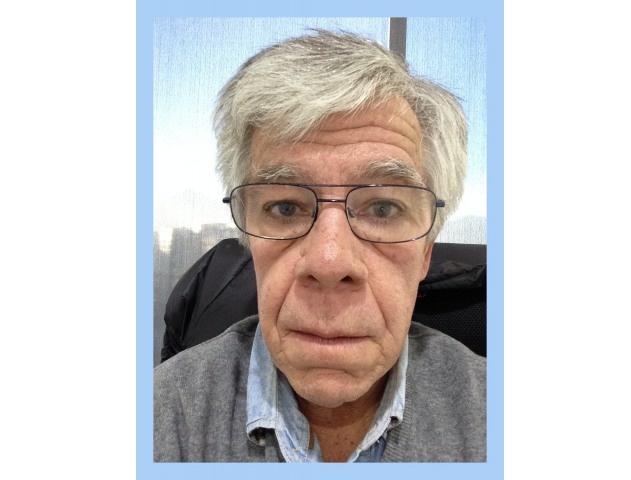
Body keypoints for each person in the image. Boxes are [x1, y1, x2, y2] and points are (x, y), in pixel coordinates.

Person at [154, 29, 486, 462]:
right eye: (286, 208)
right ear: (249, 239)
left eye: (383, 208)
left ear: (426, 251)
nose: (329, 263)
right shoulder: (159, 418)